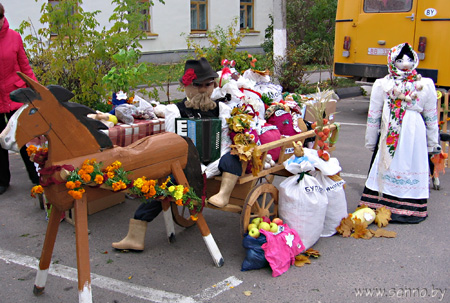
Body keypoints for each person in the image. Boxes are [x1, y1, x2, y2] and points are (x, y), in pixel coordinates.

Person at [112, 58, 242, 251]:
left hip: (216, 163)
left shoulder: (222, 109)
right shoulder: (175, 111)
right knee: (160, 190)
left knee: (234, 155)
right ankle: (135, 236)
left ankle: (223, 194)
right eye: (197, 85)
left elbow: (224, 142)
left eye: (208, 85)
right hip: (186, 167)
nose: (203, 90)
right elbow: (174, 145)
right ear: (185, 86)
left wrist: (210, 166)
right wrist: (194, 168)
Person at [358, 42, 440, 223]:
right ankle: (381, 206)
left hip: (414, 131)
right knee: (387, 164)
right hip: (390, 130)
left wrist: (433, 142)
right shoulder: (383, 84)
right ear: (392, 61)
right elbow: (374, 114)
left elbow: (431, 114)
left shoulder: (425, 84)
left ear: (415, 61)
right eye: (400, 59)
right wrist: (371, 140)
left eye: (409, 59)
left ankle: (409, 208)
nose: (405, 63)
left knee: (411, 163)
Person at [0, 3, 40, 195]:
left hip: (15, 95)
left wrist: (36, 89)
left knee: (23, 138)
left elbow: (25, 67)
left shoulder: (14, 37)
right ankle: (2, 181)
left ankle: (35, 176)